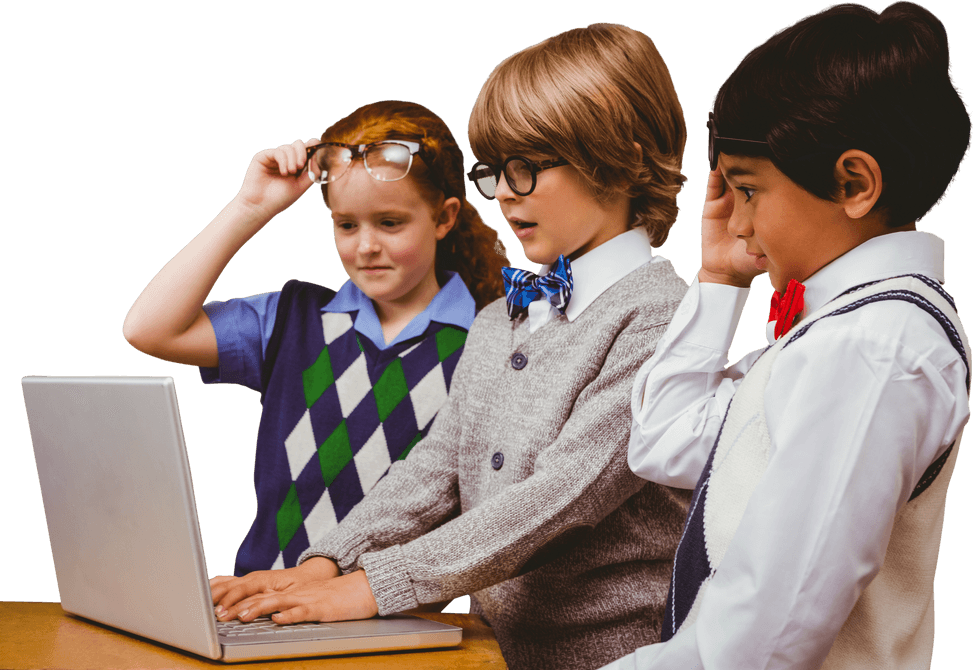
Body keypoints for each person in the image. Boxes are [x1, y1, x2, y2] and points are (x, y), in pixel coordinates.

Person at [210, 23, 692, 670]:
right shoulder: (500, 319)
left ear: (621, 160)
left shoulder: (661, 319)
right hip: (488, 654)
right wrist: (328, 561)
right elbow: (434, 470)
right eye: (495, 171)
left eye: (526, 167)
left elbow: (560, 499)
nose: (505, 194)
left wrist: (375, 585)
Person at [609, 3, 972, 668]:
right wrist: (721, 276)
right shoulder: (837, 331)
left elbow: (758, 639)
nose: (736, 222)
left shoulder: (870, 347)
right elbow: (665, 442)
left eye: (749, 190)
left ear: (853, 183)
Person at [122, 100, 510, 575]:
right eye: (346, 225)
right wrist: (250, 208)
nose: (366, 246)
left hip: (392, 613)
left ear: (444, 218)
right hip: (257, 600)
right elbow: (148, 329)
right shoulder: (290, 320)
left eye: (390, 223)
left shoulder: (493, 344)